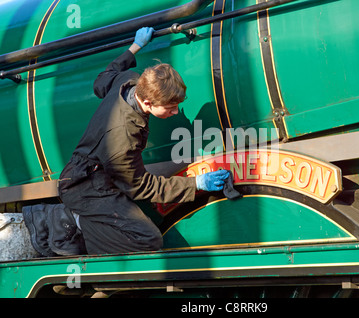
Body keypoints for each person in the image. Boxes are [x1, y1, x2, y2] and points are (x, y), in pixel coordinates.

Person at [23, 27, 230, 256]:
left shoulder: (130, 81)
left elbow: (101, 80)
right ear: (148, 102)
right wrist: (196, 184)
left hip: (102, 173)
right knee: (147, 239)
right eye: (170, 108)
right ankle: (69, 220)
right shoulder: (123, 136)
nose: (175, 112)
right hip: (86, 187)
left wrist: (136, 46)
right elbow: (142, 186)